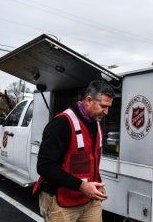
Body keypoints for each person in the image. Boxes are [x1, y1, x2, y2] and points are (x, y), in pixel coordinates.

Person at [33, 80, 115, 222]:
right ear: (89, 100)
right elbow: (45, 166)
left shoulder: (96, 124)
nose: (106, 112)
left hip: (90, 201)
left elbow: (89, 160)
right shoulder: (61, 124)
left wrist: (96, 184)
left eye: (109, 107)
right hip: (61, 203)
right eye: (103, 106)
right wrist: (82, 186)